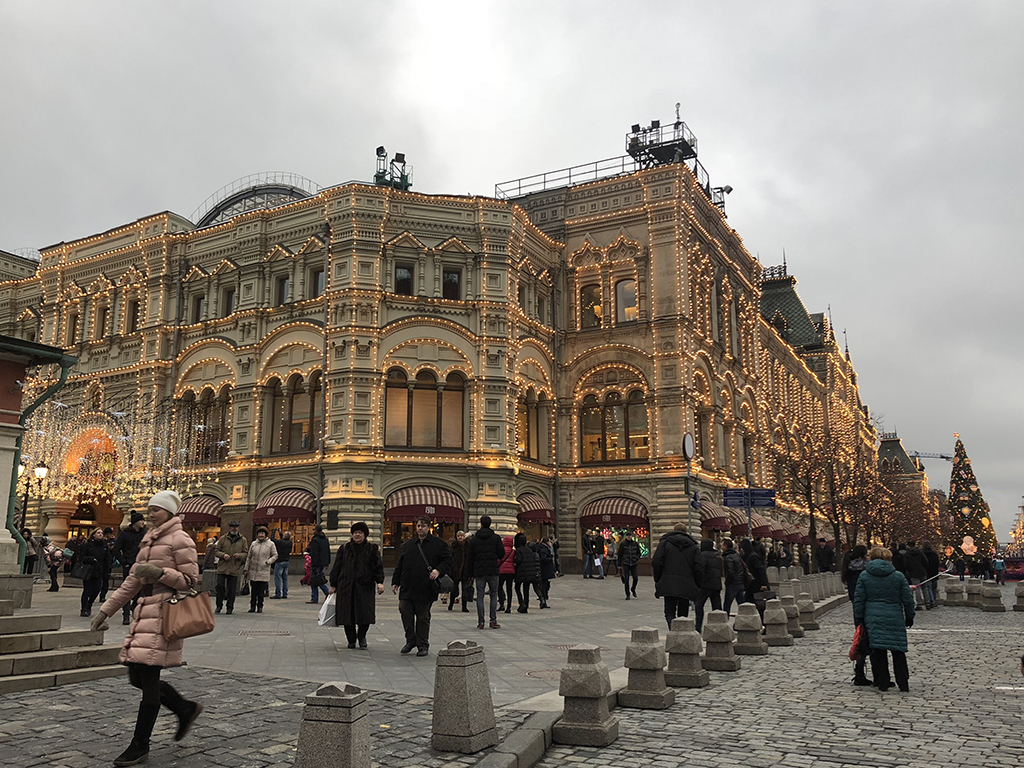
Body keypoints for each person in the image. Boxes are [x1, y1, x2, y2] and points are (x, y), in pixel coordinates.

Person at [90, 490, 203, 767]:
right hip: (144, 613)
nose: (151, 513)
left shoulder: (180, 539)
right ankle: (184, 708)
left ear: (170, 512)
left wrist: (160, 573)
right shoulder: (148, 541)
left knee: (149, 679)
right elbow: (132, 582)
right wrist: (106, 610)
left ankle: (140, 744)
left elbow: (190, 581)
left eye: (156, 509)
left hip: (165, 615)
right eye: (150, 509)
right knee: (136, 677)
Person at [853, 546, 915, 692]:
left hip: (872, 617)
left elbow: (859, 599)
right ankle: (903, 683)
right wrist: (909, 616)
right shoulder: (898, 576)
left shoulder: (864, 576)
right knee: (898, 651)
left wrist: (859, 617)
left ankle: (883, 682)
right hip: (895, 616)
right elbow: (907, 599)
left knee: (878, 650)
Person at [391, 516, 453, 656]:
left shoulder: (438, 544)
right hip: (408, 586)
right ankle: (410, 640)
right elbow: (400, 564)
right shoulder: (409, 544)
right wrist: (395, 581)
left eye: (423, 526)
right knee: (404, 611)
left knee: (422, 617)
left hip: (426, 587)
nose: (420, 528)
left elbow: (448, 560)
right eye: (418, 525)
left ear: (428, 527)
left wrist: (438, 570)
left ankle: (422, 645)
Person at [329, 522, 385, 649]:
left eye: (360, 533)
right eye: (355, 533)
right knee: (347, 615)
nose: (357, 535)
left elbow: (378, 567)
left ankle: (362, 636)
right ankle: (351, 639)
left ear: (365, 535)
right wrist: (333, 584)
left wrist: (380, 582)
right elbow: (336, 567)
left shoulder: (372, 549)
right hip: (346, 587)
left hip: (364, 587)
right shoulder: (344, 549)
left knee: (365, 614)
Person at [651, 523, 699, 630]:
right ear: (686, 532)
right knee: (683, 612)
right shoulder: (693, 546)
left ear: (674, 530)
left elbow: (656, 562)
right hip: (686, 583)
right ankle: (681, 633)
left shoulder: (665, 543)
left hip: (668, 582)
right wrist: (697, 583)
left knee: (669, 612)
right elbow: (699, 566)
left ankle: (672, 631)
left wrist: (658, 579)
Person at [464, 514, 505, 629]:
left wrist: (469, 573)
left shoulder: (475, 539)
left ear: (481, 524)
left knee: (480, 595)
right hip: (493, 569)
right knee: (494, 594)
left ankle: (481, 621)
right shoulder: (496, 538)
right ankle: (493, 620)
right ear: (490, 524)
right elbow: (501, 554)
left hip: (479, 570)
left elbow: (470, 557)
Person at [841, 544, 871, 686]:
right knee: (872, 638)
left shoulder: (849, 569)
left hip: (857, 607)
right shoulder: (866, 570)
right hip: (869, 606)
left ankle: (859, 671)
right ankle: (877, 673)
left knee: (861, 638)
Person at [111, 512, 148, 625]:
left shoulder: (144, 534)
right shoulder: (125, 534)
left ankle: (134, 607)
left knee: (141, 590)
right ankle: (126, 614)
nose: (143, 522)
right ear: (135, 522)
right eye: (141, 520)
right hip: (129, 565)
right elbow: (116, 549)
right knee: (127, 590)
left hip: (142, 565)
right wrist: (124, 562)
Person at [214, 521, 248, 615]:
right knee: (220, 587)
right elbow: (216, 551)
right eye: (233, 527)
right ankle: (219, 605)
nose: (234, 528)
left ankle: (230, 607)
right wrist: (223, 555)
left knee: (232, 589)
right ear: (229, 528)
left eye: (236, 527)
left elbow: (246, 553)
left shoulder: (243, 540)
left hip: (234, 568)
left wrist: (239, 555)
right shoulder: (223, 538)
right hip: (222, 567)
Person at [78, 527, 112, 617]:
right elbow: (81, 557)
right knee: (87, 590)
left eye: (101, 533)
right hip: (89, 571)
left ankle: (89, 604)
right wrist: (91, 559)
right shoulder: (88, 544)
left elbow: (107, 558)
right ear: (93, 535)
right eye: (98, 533)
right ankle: (84, 608)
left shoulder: (104, 545)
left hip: (99, 571)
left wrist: (108, 570)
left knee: (97, 589)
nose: (100, 534)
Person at [243, 526, 277, 614]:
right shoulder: (254, 544)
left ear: (265, 534)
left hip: (263, 570)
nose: (261, 535)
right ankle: (252, 606)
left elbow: (275, 555)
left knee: (261, 590)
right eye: (259, 533)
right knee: (253, 590)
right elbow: (249, 556)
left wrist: (268, 562)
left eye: (262, 533)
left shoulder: (270, 544)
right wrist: (246, 568)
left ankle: (260, 606)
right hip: (253, 570)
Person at [693, 539, 723, 633]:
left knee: (699, 605)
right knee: (717, 606)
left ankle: (698, 627)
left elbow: (699, 570)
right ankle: (720, 626)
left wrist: (698, 582)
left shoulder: (701, 555)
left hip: (705, 584)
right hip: (716, 584)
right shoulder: (717, 555)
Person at [740, 538, 770, 618]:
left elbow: (761, 571)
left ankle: (760, 621)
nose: (741, 550)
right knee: (752, 604)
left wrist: (764, 584)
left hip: (757, 585)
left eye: (741, 548)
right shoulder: (748, 556)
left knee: (758, 604)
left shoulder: (753, 557)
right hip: (752, 585)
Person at [513, 532, 539, 613]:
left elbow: (518, 560)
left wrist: (514, 560)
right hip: (529, 573)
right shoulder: (529, 550)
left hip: (521, 572)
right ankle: (526, 604)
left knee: (517, 587)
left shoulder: (518, 550)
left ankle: (521, 603)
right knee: (526, 589)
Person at [305, 525, 332, 604]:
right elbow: (328, 551)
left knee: (315, 580)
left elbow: (315, 553)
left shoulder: (315, 540)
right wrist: (327, 563)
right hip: (323, 562)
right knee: (318, 578)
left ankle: (320, 595)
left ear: (316, 530)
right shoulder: (325, 539)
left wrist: (313, 564)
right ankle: (318, 596)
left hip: (316, 563)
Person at [721, 538, 745, 616]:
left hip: (733, 583)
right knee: (741, 604)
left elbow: (730, 571)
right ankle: (746, 616)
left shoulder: (728, 557)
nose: (721, 546)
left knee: (727, 604)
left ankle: (725, 620)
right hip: (740, 581)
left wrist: (727, 582)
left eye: (722, 545)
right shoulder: (736, 555)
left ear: (725, 546)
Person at [903, 541, 928, 610]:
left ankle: (919, 604)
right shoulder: (920, 552)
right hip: (922, 572)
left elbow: (905, 565)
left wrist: (909, 571)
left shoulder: (907, 554)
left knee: (917, 588)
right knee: (925, 588)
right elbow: (926, 561)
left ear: (908, 546)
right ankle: (928, 603)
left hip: (913, 573)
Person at [617, 530, 641, 599]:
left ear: (632, 536)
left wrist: (636, 558)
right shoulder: (623, 544)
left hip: (633, 563)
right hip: (626, 563)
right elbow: (620, 554)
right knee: (626, 580)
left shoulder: (635, 544)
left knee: (636, 578)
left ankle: (633, 589)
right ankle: (627, 594)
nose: (629, 537)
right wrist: (619, 564)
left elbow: (638, 553)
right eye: (627, 536)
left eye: (630, 535)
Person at [448, 530, 466, 611]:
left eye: (461, 536)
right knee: (454, 589)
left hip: (465, 570)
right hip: (455, 570)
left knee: (465, 589)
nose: (460, 537)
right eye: (458, 536)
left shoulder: (467, 546)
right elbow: (450, 557)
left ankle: (464, 606)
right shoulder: (454, 545)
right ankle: (451, 604)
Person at [271, 531, 292, 599]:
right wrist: (280, 533)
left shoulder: (280, 542)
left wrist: (273, 532)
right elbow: (282, 540)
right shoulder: (290, 543)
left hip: (279, 561)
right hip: (286, 561)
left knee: (278, 578)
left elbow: (273, 539)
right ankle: (285, 593)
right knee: (285, 578)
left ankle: (278, 594)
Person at [497, 534, 515, 613]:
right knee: (509, 589)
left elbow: (499, 560)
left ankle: (501, 604)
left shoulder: (501, 550)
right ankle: (509, 607)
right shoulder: (513, 551)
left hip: (501, 571)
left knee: (499, 587)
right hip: (511, 572)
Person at [536, 537, 556, 608]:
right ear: (547, 542)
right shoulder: (544, 549)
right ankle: (543, 600)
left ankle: (543, 600)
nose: (550, 543)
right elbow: (544, 558)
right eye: (549, 541)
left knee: (545, 585)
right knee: (544, 586)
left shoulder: (544, 548)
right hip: (544, 570)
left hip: (544, 570)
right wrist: (550, 558)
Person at [922, 542, 940, 608]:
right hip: (934, 573)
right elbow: (937, 564)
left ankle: (931, 601)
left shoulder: (922, 554)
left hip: (927, 573)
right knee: (934, 588)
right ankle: (934, 600)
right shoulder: (934, 554)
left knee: (928, 588)